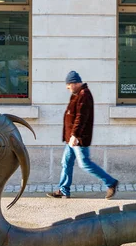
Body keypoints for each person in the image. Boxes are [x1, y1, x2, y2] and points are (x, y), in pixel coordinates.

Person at [47, 71, 119, 199]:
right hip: (71, 138)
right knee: (66, 162)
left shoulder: (84, 95)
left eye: (68, 84)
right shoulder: (76, 94)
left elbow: (81, 117)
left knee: (85, 163)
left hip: (78, 138)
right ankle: (63, 190)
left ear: (74, 83)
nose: (67, 87)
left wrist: (75, 135)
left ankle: (111, 182)